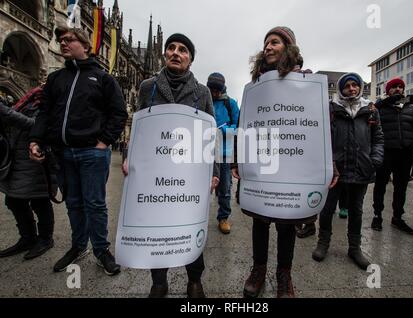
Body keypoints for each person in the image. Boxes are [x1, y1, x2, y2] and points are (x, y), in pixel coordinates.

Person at [231, 26, 332, 298]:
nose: (268, 47)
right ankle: (258, 269)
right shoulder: (255, 87)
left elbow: (321, 128)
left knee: (287, 222)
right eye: (265, 43)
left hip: (292, 168)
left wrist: (331, 163)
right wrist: (235, 160)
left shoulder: (307, 82)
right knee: (260, 221)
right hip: (262, 166)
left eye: (274, 42)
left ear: (288, 47)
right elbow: (244, 125)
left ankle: (284, 274)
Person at [122, 33, 220, 298]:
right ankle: (159, 281)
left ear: (190, 59)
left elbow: (210, 138)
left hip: (188, 176)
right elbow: (139, 131)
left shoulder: (201, 93)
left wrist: (213, 173)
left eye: (183, 50)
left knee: (190, 225)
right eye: (172, 48)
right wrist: (128, 156)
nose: (176, 52)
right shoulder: (147, 87)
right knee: (158, 226)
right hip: (155, 174)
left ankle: (194, 279)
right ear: (165, 54)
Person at [28, 26, 127, 275]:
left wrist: (104, 142)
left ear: (85, 46)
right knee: (73, 203)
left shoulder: (103, 78)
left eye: (69, 40)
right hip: (62, 152)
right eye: (60, 40)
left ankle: (102, 250)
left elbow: (119, 113)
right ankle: (78, 245)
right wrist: (35, 139)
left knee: (94, 203)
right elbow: (45, 112)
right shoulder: (56, 78)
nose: (63, 43)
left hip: (92, 151)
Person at [312, 73, 384, 270]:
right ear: (340, 89)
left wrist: (375, 160)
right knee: (327, 209)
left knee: (356, 211)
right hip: (335, 169)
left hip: (361, 167)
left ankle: (355, 248)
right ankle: (323, 243)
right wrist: (328, 163)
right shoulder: (331, 109)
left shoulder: (370, 110)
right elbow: (322, 137)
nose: (352, 89)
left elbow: (378, 138)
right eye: (347, 86)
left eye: (355, 85)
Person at [0, 88, 56, 260]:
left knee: (40, 201)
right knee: (13, 200)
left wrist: (5, 112)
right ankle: (28, 237)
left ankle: (45, 239)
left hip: (36, 160)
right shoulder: (27, 100)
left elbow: (36, 124)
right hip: (17, 158)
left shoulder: (50, 103)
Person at [371, 78, 413, 235]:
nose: (398, 89)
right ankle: (377, 215)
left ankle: (397, 217)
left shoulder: (411, 107)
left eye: (400, 87)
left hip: (405, 153)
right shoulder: (381, 106)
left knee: (401, 187)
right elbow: (372, 118)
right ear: (388, 90)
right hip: (386, 152)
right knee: (381, 185)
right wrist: (384, 103)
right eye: (394, 87)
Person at [207, 72, 239, 234]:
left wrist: (224, 130)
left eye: (217, 90)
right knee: (203, 186)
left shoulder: (230, 103)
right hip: (205, 152)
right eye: (211, 89)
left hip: (224, 153)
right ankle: (197, 216)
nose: (214, 93)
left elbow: (238, 126)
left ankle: (223, 218)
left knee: (225, 188)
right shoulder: (204, 100)